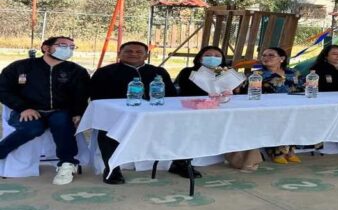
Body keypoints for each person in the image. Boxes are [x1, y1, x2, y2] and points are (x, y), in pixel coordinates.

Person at [89, 41, 195, 184]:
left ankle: (180, 163)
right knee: (106, 131)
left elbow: (171, 96)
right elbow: (97, 98)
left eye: (139, 52)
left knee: (182, 126)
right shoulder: (105, 72)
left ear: (146, 55)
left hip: (156, 115)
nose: (133, 54)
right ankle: (112, 169)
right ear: (119, 54)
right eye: (128, 51)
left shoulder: (159, 72)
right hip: (119, 117)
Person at [0, 36, 89, 185]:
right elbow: (3, 90)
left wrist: (77, 113)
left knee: (62, 123)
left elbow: (81, 95)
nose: (68, 49)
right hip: (28, 110)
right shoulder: (20, 67)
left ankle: (67, 163)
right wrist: (23, 108)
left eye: (72, 47)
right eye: (62, 45)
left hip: (60, 111)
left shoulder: (76, 71)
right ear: (46, 48)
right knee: (33, 127)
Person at [259, 47, 302, 165]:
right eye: (264, 55)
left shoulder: (293, 72)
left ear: (281, 58)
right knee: (276, 124)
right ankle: (277, 153)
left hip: (292, 105)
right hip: (269, 107)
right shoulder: (258, 75)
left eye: (271, 55)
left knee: (293, 123)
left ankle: (291, 151)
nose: (266, 58)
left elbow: (302, 86)